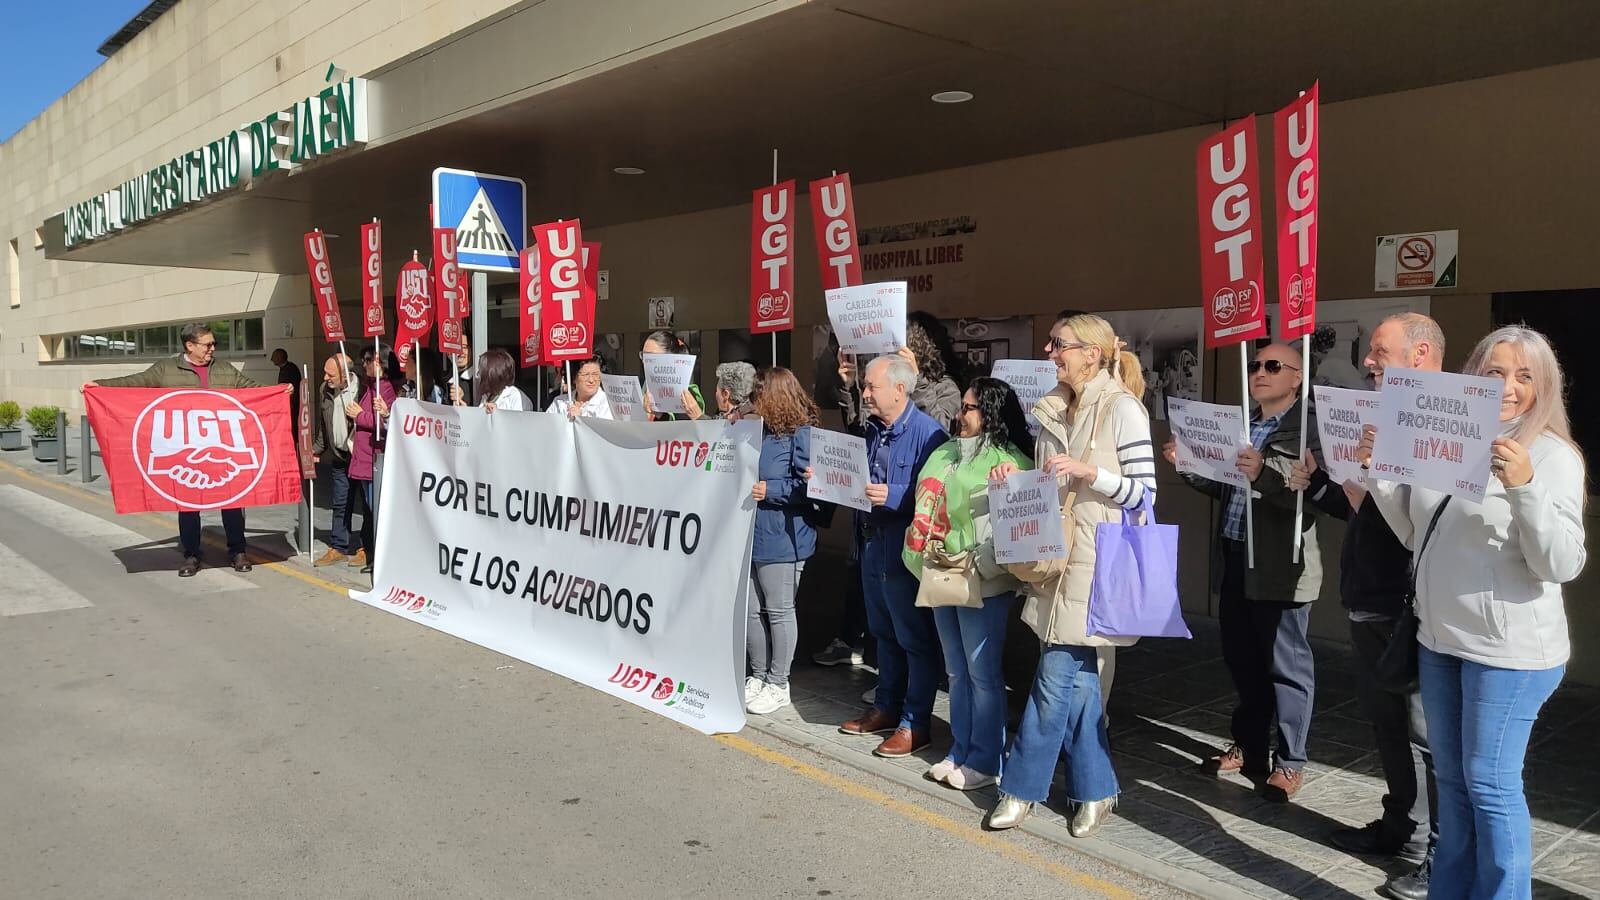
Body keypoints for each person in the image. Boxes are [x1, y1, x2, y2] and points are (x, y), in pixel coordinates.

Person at [1363, 326, 1585, 900]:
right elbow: (1416, 535)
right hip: (1441, 643)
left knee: (1489, 784)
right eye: (1494, 373)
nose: (1508, 388)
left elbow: (1560, 563)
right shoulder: (1451, 437)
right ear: (1473, 378)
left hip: (1509, 653)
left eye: (1523, 376)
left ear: (1544, 387)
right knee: (1453, 783)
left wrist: (1525, 487)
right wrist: (1380, 470)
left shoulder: (1552, 456)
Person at [1289, 313, 1444, 899]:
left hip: (1412, 606)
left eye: (1380, 352)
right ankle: (1400, 827)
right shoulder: (1379, 417)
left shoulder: (1441, 425)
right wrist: (1325, 486)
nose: (1369, 363)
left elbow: (1421, 525)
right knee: (1387, 726)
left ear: (1422, 353)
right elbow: (1368, 512)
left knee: (1427, 736)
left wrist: (1375, 478)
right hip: (1367, 597)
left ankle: (1437, 852)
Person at [984, 314, 1152, 836]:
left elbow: (1145, 493)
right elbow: (1050, 485)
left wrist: (1089, 473)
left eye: (1059, 344)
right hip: (1056, 559)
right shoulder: (1052, 409)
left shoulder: (1124, 409)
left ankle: (1020, 789)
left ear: (1093, 353)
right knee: (1077, 686)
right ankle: (1097, 792)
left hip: (1098, 562)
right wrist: (1018, 477)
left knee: (1054, 679)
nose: (1050, 351)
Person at [1164, 342, 1321, 803]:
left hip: (1281, 564)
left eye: (1274, 366)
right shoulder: (1245, 424)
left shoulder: (1308, 427)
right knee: (1242, 660)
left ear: (1297, 377)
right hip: (1236, 556)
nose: (1260, 372)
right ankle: (1250, 746)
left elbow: (1312, 490)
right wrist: (1189, 465)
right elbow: (1223, 483)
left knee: (1287, 666)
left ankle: (1290, 762)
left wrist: (1265, 472)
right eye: (1256, 365)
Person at [903, 376, 1033, 791]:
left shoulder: (1011, 459)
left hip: (983, 580)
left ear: (992, 413)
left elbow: (1017, 524)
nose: (961, 414)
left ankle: (987, 759)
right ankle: (960, 749)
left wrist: (984, 561)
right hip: (942, 570)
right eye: (962, 405)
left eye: (971, 407)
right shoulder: (945, 451)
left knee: (983, 674)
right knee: (956, 671)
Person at [83, 322, 292, 576]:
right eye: (207, 344)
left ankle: (238, 551)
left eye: (214, 343)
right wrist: (100, 386)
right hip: (185, 451)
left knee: (234, 500)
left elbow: (250, 389)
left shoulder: (223, 369)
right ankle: (192, 554)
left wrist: (279, 392)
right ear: (189, 346)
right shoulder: (166, 369)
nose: (212, 349)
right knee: (188, 504)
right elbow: (134, 383)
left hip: (220, 448)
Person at [833, 355, 949, 757]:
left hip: (904, 553)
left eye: (870, 387)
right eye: (864, 387)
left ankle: (915, 723)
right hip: (870, 546)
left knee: (915, 640)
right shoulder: (871, 431)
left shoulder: (929, 434)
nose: (864, 394)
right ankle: (886, 707)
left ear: (899, 390)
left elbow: (938, 495)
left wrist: (896, 494)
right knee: (882, 635)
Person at [744, 367, 819, 716]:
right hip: (753, 533)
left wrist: (771, 490)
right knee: (749, 610)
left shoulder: (802, 436)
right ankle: (757, 676)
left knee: (778, 609)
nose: (753, 400)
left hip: (783, 538)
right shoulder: (758, 432)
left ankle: (778, 682)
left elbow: (813, 488)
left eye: (759, 394)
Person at [835, 313, 963, 431]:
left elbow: (939, 431)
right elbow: (861, 430)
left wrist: (917, 382)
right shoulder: (889, 385)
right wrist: (849, 387)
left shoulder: (945, 387)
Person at [311, 352, 362, 568]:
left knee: (368, 505)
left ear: (346, 374)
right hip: (339, 455)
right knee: (340, 501)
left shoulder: (364, 389)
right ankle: (339, 546)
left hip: (361, 456)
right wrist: (317, 449)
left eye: (330, 374)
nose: (325, 378)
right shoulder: (325, 391)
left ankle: (365, 548)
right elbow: (324, 424)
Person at [350, 345, 396, 574]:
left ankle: (378, 557)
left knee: (376, 509)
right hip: (364, 458)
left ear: (379, 362)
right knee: (369, 509)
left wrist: (359, 415)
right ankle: (371, 554)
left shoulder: (385, 389)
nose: (364, 365)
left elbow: (384, 422)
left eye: (368, 361)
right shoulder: (371, 387)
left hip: (375, 459)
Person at [640, 330, 705, 421]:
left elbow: (682, 429)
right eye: (643, 355)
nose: (645, 361)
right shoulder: (646, 387)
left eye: (650, 356)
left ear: (670, 358)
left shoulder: (687, 394)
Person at [460, 349, 532, 413]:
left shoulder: (515, 396)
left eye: (481, 371)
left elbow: (519, 424)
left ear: (492, 374)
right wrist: (465, 410)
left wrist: (498, 414)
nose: (478, 374)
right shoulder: (487, 395)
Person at [547, 355, 612, 419]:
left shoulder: (609, 403)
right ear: (574, 378)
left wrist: (581, 419)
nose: (591, 380)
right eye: (585, 375)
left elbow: (604, 428)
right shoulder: (559, 402)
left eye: (595, 374)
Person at [272, 347, 301, 423]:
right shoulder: (287, 368)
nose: (272, 359)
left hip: (292, 404)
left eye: (274, 356)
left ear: (280, 357)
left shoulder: (289, 369)